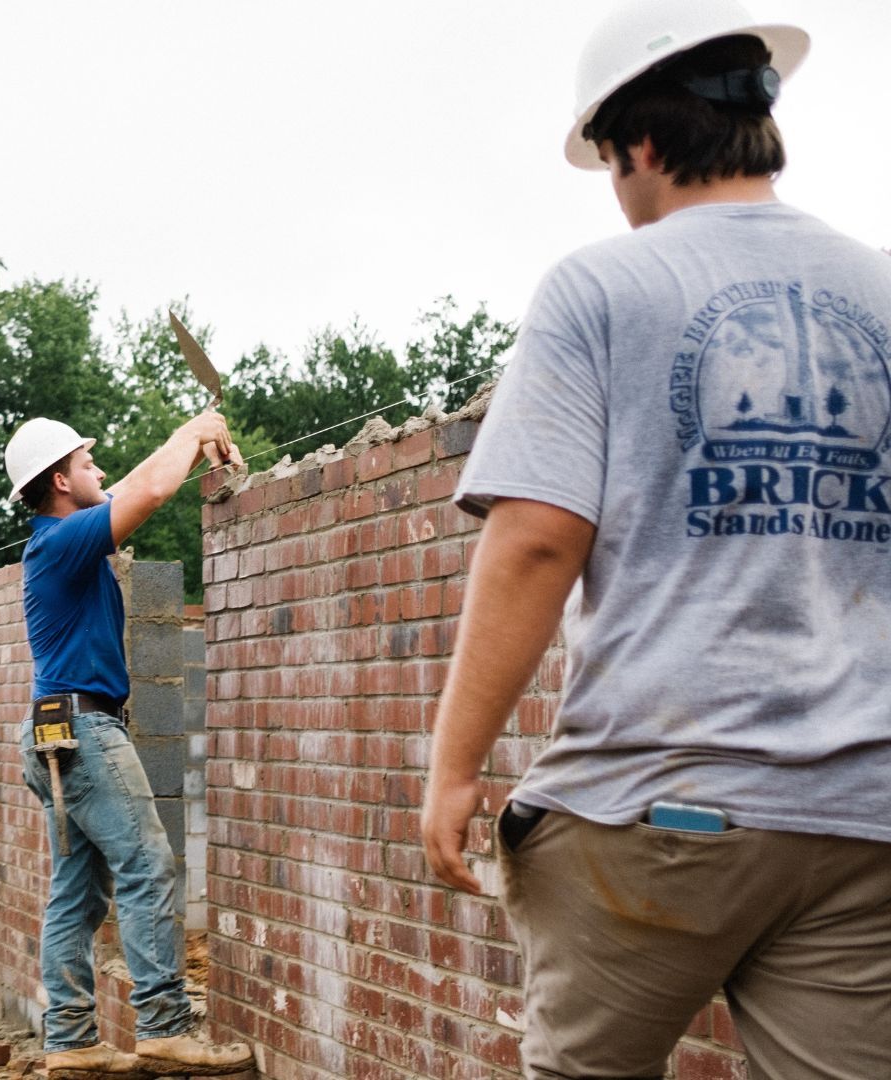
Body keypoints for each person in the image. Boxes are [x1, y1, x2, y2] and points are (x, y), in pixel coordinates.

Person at [419, 2, 891, 1076]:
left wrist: (453, 768)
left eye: (608, 161)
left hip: (660, 813)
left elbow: (538, 541)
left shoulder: (602, 288)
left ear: (639, 142)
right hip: (866, 819)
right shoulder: (883, 287)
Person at [5, 414, 254, 1078]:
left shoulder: (61, 540)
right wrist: (197, 424)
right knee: (149, 864)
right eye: (89, 464)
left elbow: (142, 483)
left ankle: (71, 1040)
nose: (102, 473)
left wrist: (197, 443)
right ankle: (165, 1026)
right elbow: (150, 492)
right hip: (84, 730)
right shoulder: (61, 541)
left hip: (57, 729)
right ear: (60, 480)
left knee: (77, 891)